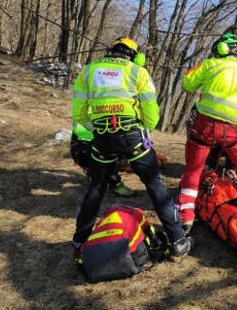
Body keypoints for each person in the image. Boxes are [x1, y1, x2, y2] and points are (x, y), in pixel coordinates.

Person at [71, 37, 191, 264]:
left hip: (102, 137)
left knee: (96, 187)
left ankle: (79, 245)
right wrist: (143, 131)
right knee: (154, 183)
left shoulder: (88, 71)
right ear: (134, 55)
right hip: (131, 134)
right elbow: (152, 114)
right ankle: (177, 242)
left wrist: (95, 129)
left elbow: (78, 113)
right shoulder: (138, 72)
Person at [179, 33, 237, 234]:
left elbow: (187, 84)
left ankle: (185, 218)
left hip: (203, 128)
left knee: (193, 170)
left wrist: (199, 67)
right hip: (232, 131)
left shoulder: (210, 65)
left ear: (220, 49)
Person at [70, 121, 136, 197]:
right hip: (84, 151)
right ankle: (114, 184)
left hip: (83, 150)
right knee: (110, 148)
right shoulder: (86, 115)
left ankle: (94, 174)